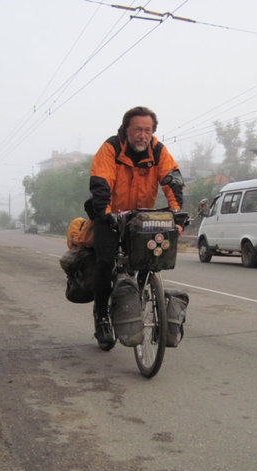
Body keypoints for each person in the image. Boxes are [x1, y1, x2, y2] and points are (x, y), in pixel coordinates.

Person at [88, 106, 184, 347]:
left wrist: (176, 213)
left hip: (140, 217)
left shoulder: (158, 151)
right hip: (108, 212)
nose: (142, 135)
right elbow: (101, 183)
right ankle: (101, 317)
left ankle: (135, 301)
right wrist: (106, 213)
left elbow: (173, 181)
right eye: (138, 129)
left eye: (147, 130)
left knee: (149, 258)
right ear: (126, 130)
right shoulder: (110, 148)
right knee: (106, 260)